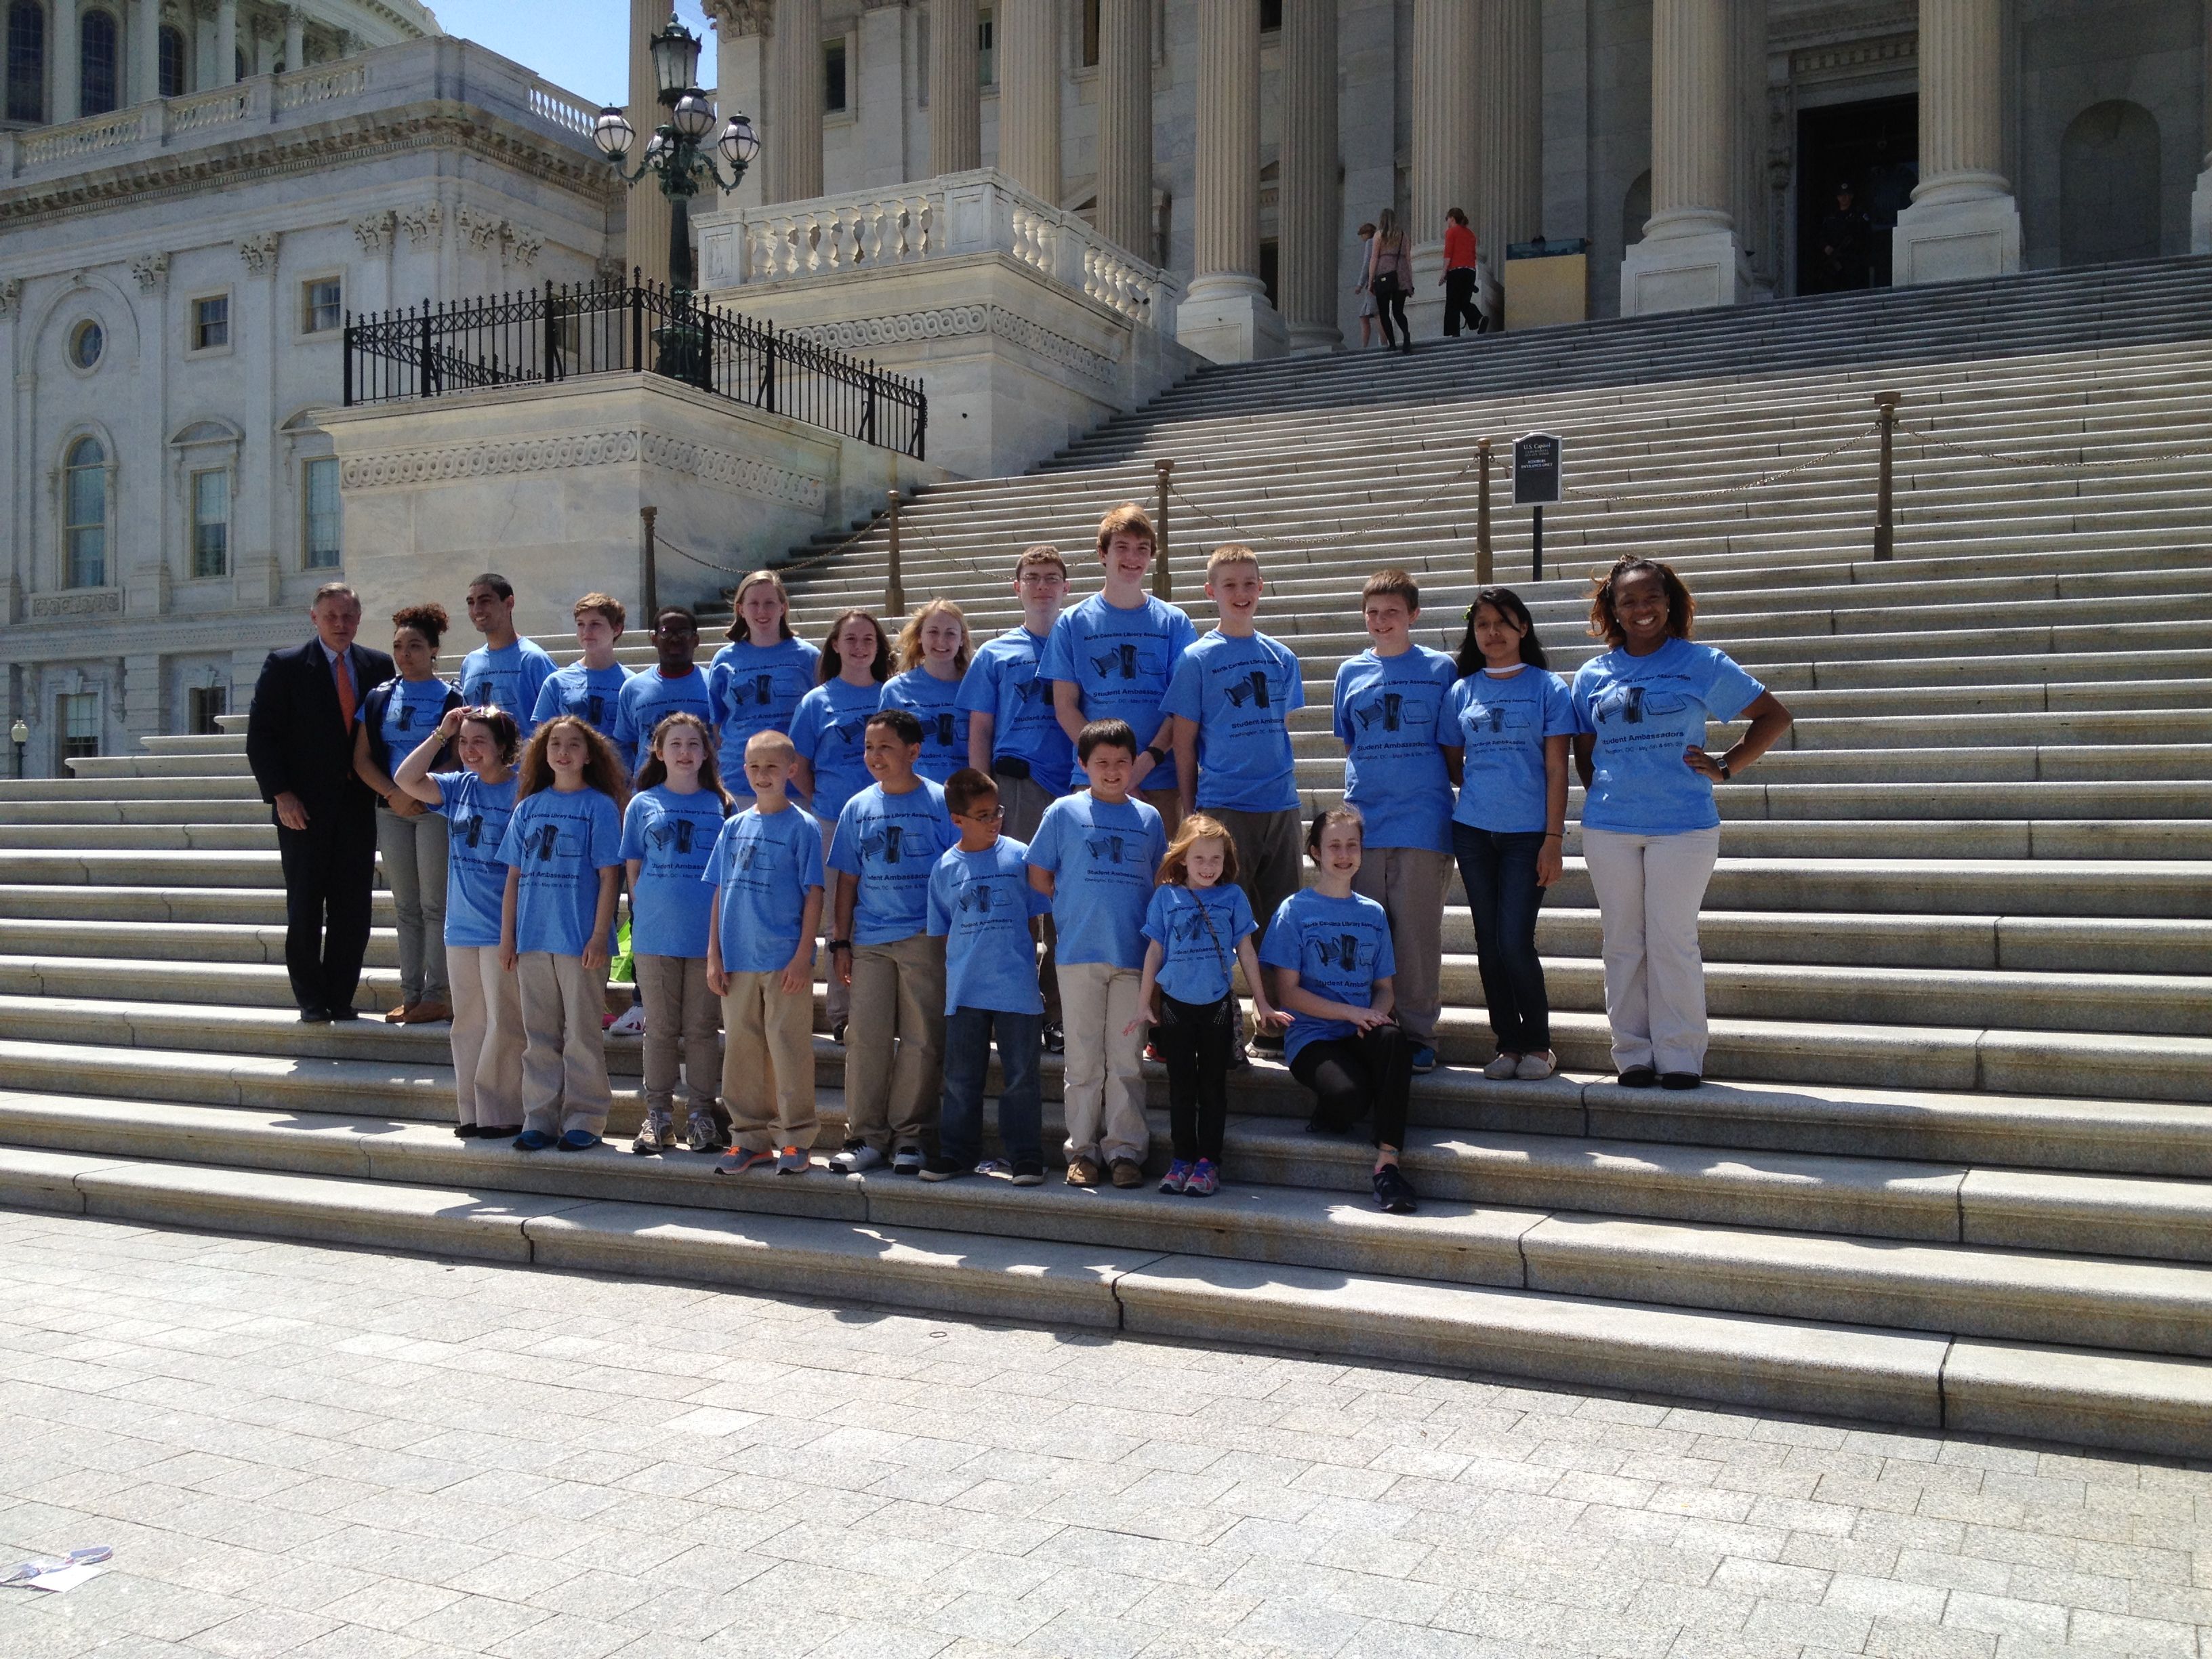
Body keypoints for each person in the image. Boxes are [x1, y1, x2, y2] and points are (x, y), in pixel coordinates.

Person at [1572, 556, 1793, 1090]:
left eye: (1652, 597)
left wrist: (1727, 766)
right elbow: (1585, 747)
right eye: (1628, 601)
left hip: (1683, 824)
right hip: (1610, 826)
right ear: (1613, 611)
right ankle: (1633, 1054)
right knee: (1622, 941)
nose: (1641, 609)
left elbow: (1773, 716)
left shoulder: (1702, 662)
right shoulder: (1592, 675)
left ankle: (1680, 1056)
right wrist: (1609, 789)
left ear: (1670, 603)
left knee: (1672, 938)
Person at [1164, 544, 1305, 1057]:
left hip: (1280, 804)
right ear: (1211, 592)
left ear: (1261, 588)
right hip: (1224, 805)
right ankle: (1220, 1029)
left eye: (1249, 583)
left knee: (1280, 920)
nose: (1240, 593)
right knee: (1219, 920)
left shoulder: (1282, 657)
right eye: (1229, 585)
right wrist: (1191, 812)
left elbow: (1278, 728)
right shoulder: (1197, 659)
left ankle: (1276, 1024)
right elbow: (1184, 743)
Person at [1026, 719, 1167, 1189]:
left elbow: (1158, 880)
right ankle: (1083, 1150)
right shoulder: (1063, 812)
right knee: (1083, 1061)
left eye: (1122, 762)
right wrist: (1070, 906)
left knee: (1127, 1060)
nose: (1112, 771)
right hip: (1079, 954)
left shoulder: (1149, 818)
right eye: (1101, 762)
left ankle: (1125, 1150)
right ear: (1083, 764)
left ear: (1134, 764)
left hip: (1133, 956)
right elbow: (1040, 874)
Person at [246, 581, 396, 1023]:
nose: (340, 624)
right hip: (303, 809)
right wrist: (281, 794)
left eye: (348, 616)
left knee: (354, 907)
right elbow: (261, 737)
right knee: (306, 906)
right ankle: (311, 998)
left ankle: (341, 995)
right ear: (314, 618)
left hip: (358, 806)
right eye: (331, 616)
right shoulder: (286, 665)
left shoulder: (378, 666)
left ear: (359, 619)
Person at [1443, 587, 1575, 1082]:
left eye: (1502, 622)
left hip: (1527, 835)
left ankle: (1538, 1044)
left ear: (1523, 628)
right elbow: (1453, 762)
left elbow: (1557, 769)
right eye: (1482, 624)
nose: (1492, 632)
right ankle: (1508, 1044)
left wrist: (1553, 839)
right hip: (1473, 832)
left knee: (1514, 940)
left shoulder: (1549, 688)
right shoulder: (1461, 691)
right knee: (1487, 942)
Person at [1263, 806, 1418, 1214]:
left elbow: (1384, 990)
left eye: (1352, 845)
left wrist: (1376, 1015)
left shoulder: (1373, 913)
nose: (1344, 854)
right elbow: (1288, 994)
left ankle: (1388, 1165)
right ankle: (1329, 1110)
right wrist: (1350, 1013)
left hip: (1359, 1032)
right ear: (1315, 851)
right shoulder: (1294, 910)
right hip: (1312, 1038)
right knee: (1350, 1099)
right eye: (1334, 845)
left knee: (1394, 1039)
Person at [1332, 570, 1458, 1073]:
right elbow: (1351, 743)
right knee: (1365, 932)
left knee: (1416, 937)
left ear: (1414, 615)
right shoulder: (1349, 672)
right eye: (1373, 613)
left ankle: (1419, 1033)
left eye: (1392, 612)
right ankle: (1368, 1028)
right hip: (1365, 823)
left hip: (1423, 820)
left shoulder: (1440, 669)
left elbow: (1451, 742)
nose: (1381, 621)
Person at [824, 708, 958, 1174]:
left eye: (885, 747)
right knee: (866, 1039)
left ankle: (911, 1138)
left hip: (925, 936)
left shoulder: (941, 802)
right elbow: (847, 879)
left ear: (914, 751)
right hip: (871, 941)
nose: (874, 755)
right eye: (868, 747)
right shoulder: (858, 807)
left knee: (922, 1040)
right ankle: (865, 1136)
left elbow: (958, 870)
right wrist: (841, 943)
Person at [1133, 815, 1283, 1197]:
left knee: (1213, 1087)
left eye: (1216, 858)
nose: (1208, 866)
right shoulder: (1165, 897)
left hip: (1216, 1005)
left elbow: (1247, 952)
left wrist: (1262, 1001)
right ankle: (1181, 1159)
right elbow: (1154, 951)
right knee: (1181, 1087)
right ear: (1182, 857)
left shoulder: (1232, 897)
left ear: (1225, 860)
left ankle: (1208, 1163)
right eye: (1199, 858)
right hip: (1175, 1006)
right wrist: (1143, 1003)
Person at [497, 714, 627, 1151]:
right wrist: (508, 937)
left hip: (579, 940)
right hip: (534, 937)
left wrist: (599, 935)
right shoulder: (529, 807)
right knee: (539, 1036)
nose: (563, 752)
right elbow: (514, 877)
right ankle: (539, 1118)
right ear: (543, 752)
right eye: (555, 744)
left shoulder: (599, 807)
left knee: (582, 1035)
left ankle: (585, 1118)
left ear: (588, 755)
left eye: (573, 744)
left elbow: (609, 877)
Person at [962, 546, 1075, 1050]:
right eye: (1032, 577)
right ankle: (1013, 1007)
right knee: (1014, 905)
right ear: (1017, 587)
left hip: (1069, 786)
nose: (1042, 586)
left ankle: (1055, 1012)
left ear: (1066, 588)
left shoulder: (1078, 644)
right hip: (1014, 786)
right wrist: (981, 797)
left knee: (1065, 908)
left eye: (1051, 578)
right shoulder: (995, 653)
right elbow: (980, 728)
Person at [395, 706, 523, 1137]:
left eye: (479, 742)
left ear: (502, 747)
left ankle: (501, 1112)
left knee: (503, 1021)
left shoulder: (523, 791)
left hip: (503, 925)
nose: (469, 750)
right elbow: (405, 780)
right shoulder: (458, 786)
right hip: (462, 925)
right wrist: (441, 734)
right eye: (464, 742)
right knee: (468, 1021)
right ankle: (471, 1112)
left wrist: (511, 932)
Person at [922, 769, 1054, 1184]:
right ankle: (957, 1154)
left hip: (1016, 989)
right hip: (965, 991)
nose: (995, 820)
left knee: (1021, 1079)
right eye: (983, 815)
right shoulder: (945, 868)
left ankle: (1026, 1156)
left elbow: (1035, 921)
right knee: (961, 1080)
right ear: (957, 819)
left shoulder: (1020, 856)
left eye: (997, 811)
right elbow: (943, 933)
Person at [705, 730, 824, 1176]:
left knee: (788, 1049)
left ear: (791, 770)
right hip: (737, 959)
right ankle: (748, 1137)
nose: (762, 775)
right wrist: (714, 955)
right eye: (754, 767)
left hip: (783, 960)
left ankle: (795, 1136)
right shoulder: (733, 826)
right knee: (741, 1050)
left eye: (772, 767)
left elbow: (814, 894)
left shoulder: (803, 826)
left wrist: (803, 955)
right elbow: (719, 891)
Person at [1042, 501, 1196, 836]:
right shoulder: (1073, 622)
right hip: (1093, 781)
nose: (1133, 557)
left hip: (1159, 779)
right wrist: (1110, 769)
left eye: (1142, 548)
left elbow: (1183, 707)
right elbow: (1065, 707)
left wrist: (1141, 765)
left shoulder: (1175, 622)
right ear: (1102, 553)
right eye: (1122, 547)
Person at [621, 712, 733, 1155]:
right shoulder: (642, 803)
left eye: (693, 744)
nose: (685, 752)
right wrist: (650, 911)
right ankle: (658, 1116)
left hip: (706, 938)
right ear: (659, 752)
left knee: (702, 1029)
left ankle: (702, 1115)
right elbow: (633, 868)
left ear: (706, 753)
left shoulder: (721, 804)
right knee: (661, 1030)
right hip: (656, 936)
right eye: (675, 744)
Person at [352, 603, 462, 1026]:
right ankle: (411, 993)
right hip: (391, 809)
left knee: (435, 904)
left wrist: (420, 792)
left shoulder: (453, 698)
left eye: (414, 646)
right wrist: (392, 793)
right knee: (406, 907)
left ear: (434, 650)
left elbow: (458, 758)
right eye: (398, 647)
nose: (405, 655)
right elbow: (362, 758)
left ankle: (438, 994)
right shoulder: (379, 696)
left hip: (433, 808)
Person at [790, 609, 892, 1043]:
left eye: (868, 639)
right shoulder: (817, 701)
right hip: (834, 822)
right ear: (834, 645)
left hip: (888, 816)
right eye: (850, 639)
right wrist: (823, 801)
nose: (859, 647)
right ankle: (842, 1011)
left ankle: (883, 1006)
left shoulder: (891, 694)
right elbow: (798, 764)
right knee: (839, 920)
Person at [709, 571, 819, 804]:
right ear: (741, 609)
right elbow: (717, 723)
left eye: (770, 603)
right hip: (738, 782)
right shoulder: (724, 660)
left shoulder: (808, 657)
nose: (762, 611)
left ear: (783, 608)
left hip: (794, 784)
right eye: (754, 604)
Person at [614, 605, 718, 777]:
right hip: (649, 787)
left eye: (683, 632)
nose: (675, 639)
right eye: (665, 632)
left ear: (696, 640)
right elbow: (629, 742)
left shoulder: (713, 685)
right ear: (654, 639)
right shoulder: (632, 688)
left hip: (701, 785)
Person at [881, 598, 973, 784]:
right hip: (914, 794)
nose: (941, 641)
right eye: (933, 632)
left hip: (964, 793)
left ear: (962, 639)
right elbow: (884, 749)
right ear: (919, 636)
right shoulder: (895, 690)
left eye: (951, 633)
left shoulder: (977, 686)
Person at [460, 573, 557, 733]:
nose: (477, 610)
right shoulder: (470, 663)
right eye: (471, 603)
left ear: (509, 603)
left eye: (485, 601)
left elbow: (555, 723)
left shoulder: (534, 660)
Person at [531, 593, 633, 740]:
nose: (586, 632)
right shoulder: (556, 682)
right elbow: (543, 740)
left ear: (617, 629)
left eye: (595, 624)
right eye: (580, 624)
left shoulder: (631, 684)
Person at [1366, 207, 1412, 353]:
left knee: (1384, 312)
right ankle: (1406, 334)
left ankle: (1392, 343)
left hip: (1384, 276)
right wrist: (1410, 281)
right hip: (1401, 275)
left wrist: (1371, 280)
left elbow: (1374, 259)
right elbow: (1408, 259)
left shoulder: (1379, 236)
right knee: (1398, 311)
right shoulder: (1403, 235)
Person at [1818, 183, 1872, 291]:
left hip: (1853, 260)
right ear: (1837, 197)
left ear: (1851, 196)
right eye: (1841, 195)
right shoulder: (1831, 216)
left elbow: (1866, 236)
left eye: (1847, 195)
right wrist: (1825, 247)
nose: (1844, 198)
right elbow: (1821, 236)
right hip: (1835, 261)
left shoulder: (1858, 215)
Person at [1442, 207, 1486, 337]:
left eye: (1447, 219)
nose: (1447, 222)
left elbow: (1448, 254)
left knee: (1452, 303)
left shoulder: (1451, 232)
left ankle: (1453, 333)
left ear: (1452, 219)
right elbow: (1472, 254)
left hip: (1456, 271)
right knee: (1464, 302)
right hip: (1470, 271)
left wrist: (1444, 273)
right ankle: (1479, 319)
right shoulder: (1471, 234)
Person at [1353, 222, 1378, 349]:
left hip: (1372, 284)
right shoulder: (1378, 242)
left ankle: (1383, 343)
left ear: (1367, 233)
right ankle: (1364, 346)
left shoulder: (1370, 243)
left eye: (1362, 234)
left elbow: (1367, 264)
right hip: (1375, 283)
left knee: (1377, 314)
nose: (1362, 237)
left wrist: (1360, 284)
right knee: (1364, 316)